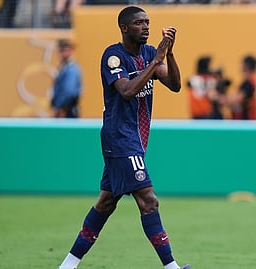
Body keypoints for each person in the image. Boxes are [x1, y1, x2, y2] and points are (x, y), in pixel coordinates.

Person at [56, 6, 189, 269]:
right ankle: (172, 267)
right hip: (120, 137)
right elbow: (127, 90)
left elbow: (174, 85)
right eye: (140, 23)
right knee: (149, 201)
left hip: (135, 140)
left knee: (106, 203)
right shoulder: (113, 56)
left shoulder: (151, 53)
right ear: (125, 28)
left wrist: (169, 54)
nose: (147, 27)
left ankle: (67, 265)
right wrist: (155, 61)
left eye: (148, 23)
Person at [51, 38, 82, 118]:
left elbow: (69, 91)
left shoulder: (71, 69)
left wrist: (61, 108)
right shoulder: (64, 67)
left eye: (66, 50)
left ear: (71, 50)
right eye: (61, 50)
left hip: (67, 110)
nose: (63, 53)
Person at [227, 55, 256, 120]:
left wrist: (217, 97)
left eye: (241, 63)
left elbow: (234, 100)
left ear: (246, 66)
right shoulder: (254, 80)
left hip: (247, 121)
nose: (239, 66)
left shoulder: (249, 82)